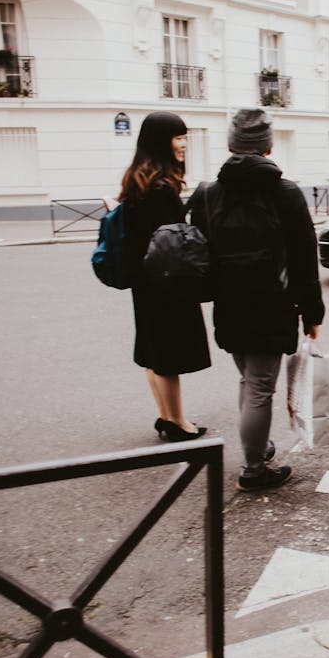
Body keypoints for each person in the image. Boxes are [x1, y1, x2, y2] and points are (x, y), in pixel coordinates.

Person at [190, 108, 325, 492]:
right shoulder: (285, 192)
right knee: (260, 387)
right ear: (267, 145)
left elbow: (199, 251)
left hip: (229, 305)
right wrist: (312, 313)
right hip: (272, 306)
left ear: (232, 144)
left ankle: (258, 445)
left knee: (250, 381)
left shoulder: (209, 193)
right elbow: (304, 259)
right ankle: (253, 470)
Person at [118, 111, 211, 442]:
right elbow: (170, 243)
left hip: (144, 283)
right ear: (161, 141)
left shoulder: (136, 181)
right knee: (169, 356)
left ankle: (164, 416)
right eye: (178, 137)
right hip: (166, 283)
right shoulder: (160, 188)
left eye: (185, 137)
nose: (184, 144)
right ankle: (178, 423)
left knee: (154, 352)